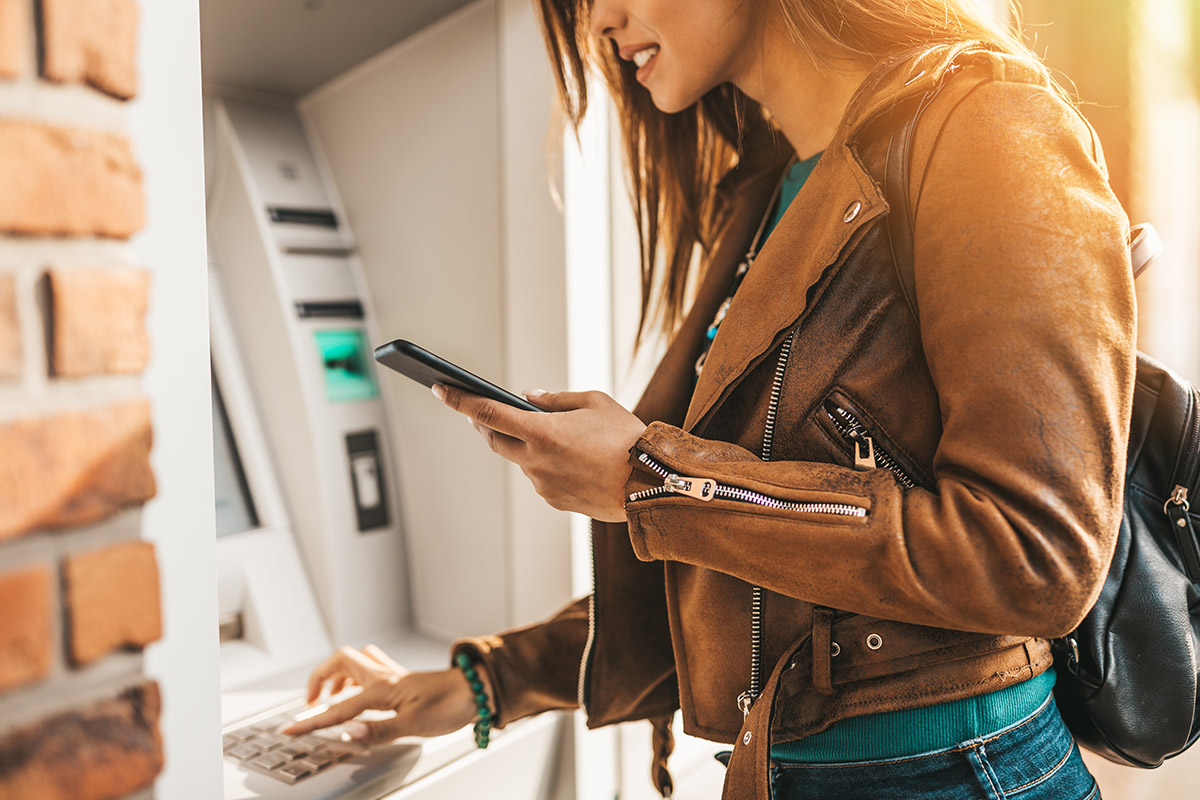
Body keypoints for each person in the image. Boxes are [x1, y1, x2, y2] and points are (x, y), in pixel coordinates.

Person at [283, 0, 1135, 797]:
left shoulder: (990, 126)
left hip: (960, 773)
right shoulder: (764, 190)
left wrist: (652, 481)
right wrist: (490, 681)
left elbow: (1036, 557)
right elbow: (762, 575)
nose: (599, 21)